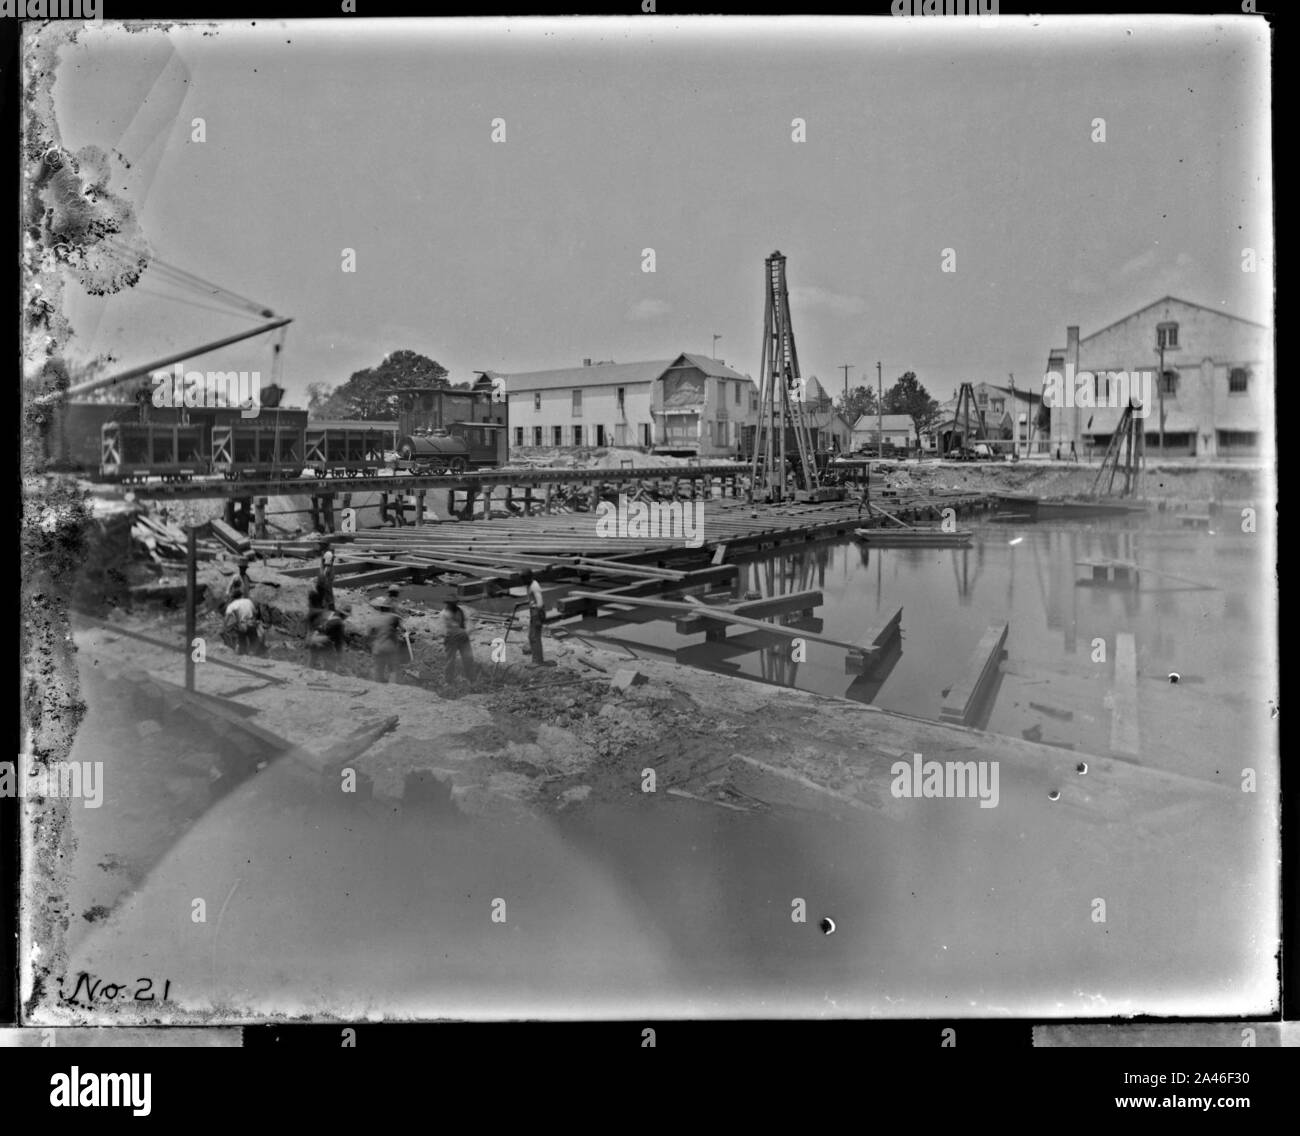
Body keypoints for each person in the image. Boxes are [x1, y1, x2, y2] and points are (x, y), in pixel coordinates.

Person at [370, 597, 406, 683]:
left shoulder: (374, 619)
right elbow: (403, 630)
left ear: (380, 608)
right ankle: (392, 688)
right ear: (389, 608)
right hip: (390, 648)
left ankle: (378, 689)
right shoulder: (394, 617)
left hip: (377, 648)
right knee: (392, 670)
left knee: (378, 670)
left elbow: (369, 635)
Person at [441, 599, 476, 684]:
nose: (453, 605)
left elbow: (468, 620)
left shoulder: (460, 610)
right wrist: (465, 631)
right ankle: (448, 681)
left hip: (463, 637)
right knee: (450, 660)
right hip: (451, 638)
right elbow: (452, 626)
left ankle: (471, 679)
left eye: (454, 603)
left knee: (468, 658)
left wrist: (468, 628)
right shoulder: (444, 613)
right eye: (451, 603)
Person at [224, 583, 259, 656]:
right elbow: (255, 612)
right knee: (253, 641)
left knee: (242, 641)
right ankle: (252, 655)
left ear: (233, 597)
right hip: (251, 623)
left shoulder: (232, 605)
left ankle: (243, 656)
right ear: (241, 595)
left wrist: (224, 627)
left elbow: (226, 618)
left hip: (241, 625)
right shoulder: (248, 601)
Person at [521, 570, 546, 665]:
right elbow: (533, 600)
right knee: (532, 636)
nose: (522, 581)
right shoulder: (529, 584)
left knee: (535, 637)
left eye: (524, 579)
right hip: (534, 612)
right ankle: (536, 660)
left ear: (529, 577)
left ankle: (538, 661)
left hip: (537, 613)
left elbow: (540, 603)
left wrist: (534, 610)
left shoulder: (534, 586)